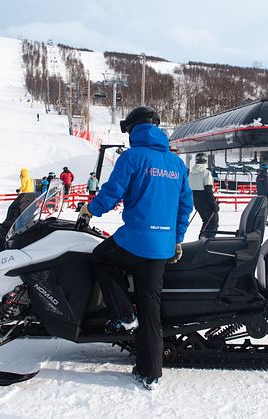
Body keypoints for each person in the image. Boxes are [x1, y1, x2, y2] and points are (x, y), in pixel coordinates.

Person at [80, 106, 192, 390]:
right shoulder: (176, 163)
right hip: (162, 247)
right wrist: (176, 238)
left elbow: (111, 193)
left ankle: (123, 314)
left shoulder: (132, 157)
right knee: (150, 309)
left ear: (132, 130)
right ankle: (150, 372)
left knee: (100, 258)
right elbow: (185, 206)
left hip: (134, 240)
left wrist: (89, 210)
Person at [189, 153, 219, 238]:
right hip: (206, 202)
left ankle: (201, 238)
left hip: (197, 202)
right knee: (213, 223)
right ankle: (208, 241)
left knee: (206, 221)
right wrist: (214, 204)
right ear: (205, 160)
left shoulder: (191, 174)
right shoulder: (206, 173)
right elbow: (208, 191)